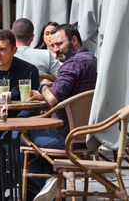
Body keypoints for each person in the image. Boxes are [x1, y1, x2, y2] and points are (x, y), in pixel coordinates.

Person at [27, 24, 97, 195]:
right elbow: (71, 91)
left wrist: (44, 87)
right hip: (88, 134)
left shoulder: (72, 64)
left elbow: (52, 99)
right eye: (53, 45)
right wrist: (49, 89)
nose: (56, 50)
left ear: (74, 40)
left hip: (65, 136)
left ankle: (36, 191)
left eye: (59, 44)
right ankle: (52, 184)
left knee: (17, 137)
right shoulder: (92, 60)